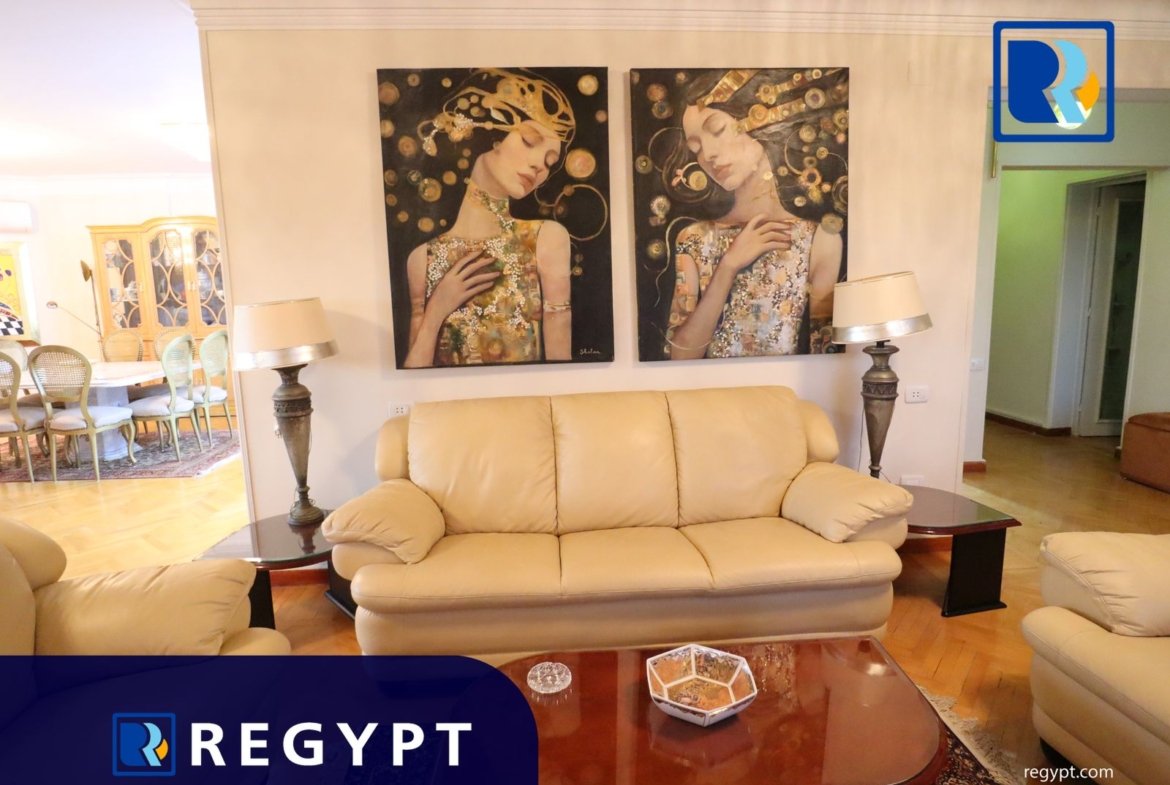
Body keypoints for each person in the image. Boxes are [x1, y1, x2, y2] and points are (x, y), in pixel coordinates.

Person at [661, 68, 847, 359]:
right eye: (696, 147)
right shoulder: (694, 238)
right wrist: (728, 266)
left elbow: (824, 353)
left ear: (760, 122)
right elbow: (680, 355)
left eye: (717, 130)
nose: (707, 154)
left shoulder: (818, 240)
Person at [403, 69, 574, 367]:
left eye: (550, 162)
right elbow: (413, 376)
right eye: (529, 141)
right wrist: (436, 309)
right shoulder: (422, 259)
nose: (540, 166)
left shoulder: (546, 239)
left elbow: (561, 370)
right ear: (489, 134)